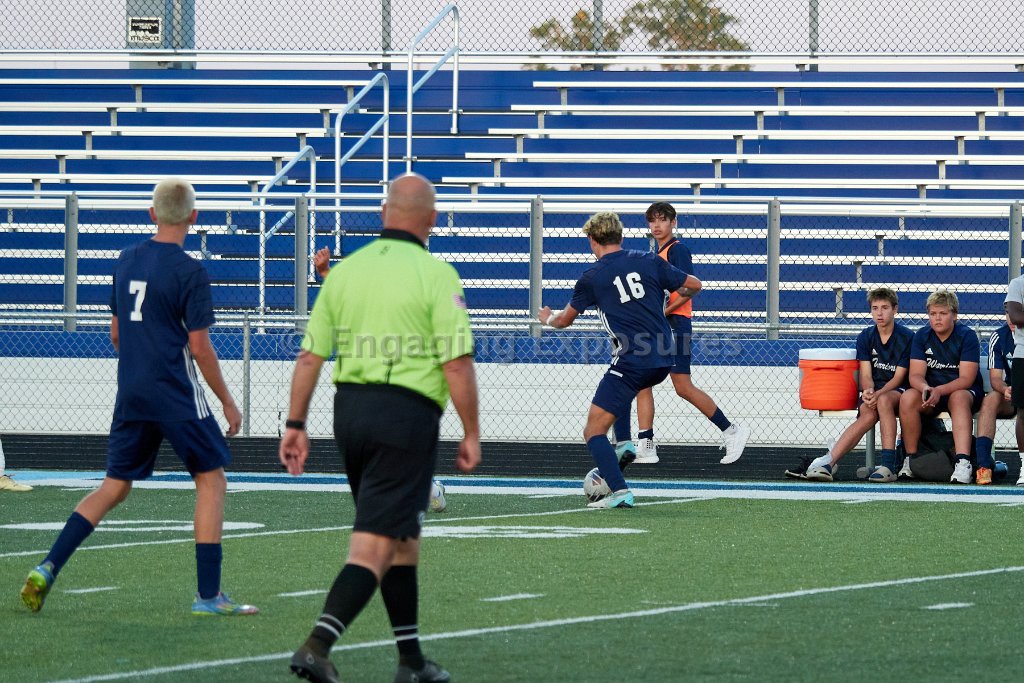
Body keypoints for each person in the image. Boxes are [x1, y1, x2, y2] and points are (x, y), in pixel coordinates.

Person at [20, 178, 256, 616]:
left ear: (152, 214)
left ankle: (48, 565)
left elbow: (116, 334)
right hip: (175, 391)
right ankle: (209, 596)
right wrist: (227, 400)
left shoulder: (126, 259)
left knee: (113, 486)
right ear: (194, 217)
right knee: (212, 480)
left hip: (132, 390)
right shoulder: (190, 271)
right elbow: (200, 347)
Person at [279, 172, 480, 683]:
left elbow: (309, 357)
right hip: (404, 417)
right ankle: (317, 645)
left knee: (402, 539)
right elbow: (457, 363)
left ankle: (411, 662)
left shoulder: (346, 273)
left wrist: (295, 424)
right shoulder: (437, 274)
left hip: (349, 414)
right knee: (373, 545)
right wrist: (472, 430)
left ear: (384, 212)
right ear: (432, 220)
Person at [537, 211, 700, 509]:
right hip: (664, 357)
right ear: (621, 236)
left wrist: (547, 318)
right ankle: (624, 442)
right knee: (623, 387)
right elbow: (694, 285)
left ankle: (620, 490)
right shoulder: (648, 259)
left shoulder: (592, 277)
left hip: (632, 360)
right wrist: (666, 302)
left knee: (593, 430)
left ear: (592, 240)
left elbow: (564, 321)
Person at [623, 202, 749, 466]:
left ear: (673, 222)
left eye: (662, 220)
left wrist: (664, 311)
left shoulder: (677, 250)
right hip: (660, 326)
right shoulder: (657, 253)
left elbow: (689, 289)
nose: (656, 225)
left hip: (675, 325)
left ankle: (731, 431)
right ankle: (646, 444)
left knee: (682, 386)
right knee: (642, 381)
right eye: (652, 220)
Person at [803, 287, 913, 482]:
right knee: (868, 414)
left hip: (898, 391)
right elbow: (866, 374)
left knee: (884, 401)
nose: (879, 313)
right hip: (876, 392)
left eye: (885, 308)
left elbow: (899, 377)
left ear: (895, 309)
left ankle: (888, 466)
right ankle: (829, 464)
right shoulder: (865, 336)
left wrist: (879, 394)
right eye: (875, 308)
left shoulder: (907, 337)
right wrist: (869, 391)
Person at [899, 289, 983, 484]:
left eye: (943, 313)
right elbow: (915, 375)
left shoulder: (967, 336)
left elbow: (966, 379)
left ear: (954, 315)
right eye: (933, 313)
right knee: (908, 397)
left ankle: (963, 462)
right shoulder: (922, 335)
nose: (937, 318)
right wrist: (925, 388)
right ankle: (911, 459)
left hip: (962, 391)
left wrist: (939, 390)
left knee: (959, 398)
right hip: (932, 393)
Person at [973, 314, 1018, 485]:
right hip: (1012, 394)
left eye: (1017, 311)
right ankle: (984, 467)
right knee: (990, 400)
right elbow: (995, 378)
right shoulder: (999, 336)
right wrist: (1005, 389)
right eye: (1008, 312)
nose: (1011, 318)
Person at [1003, 272, 1024, 486]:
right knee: (1023, 413)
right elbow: (1017, 317)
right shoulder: (1018, 284)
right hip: (1023, 355)